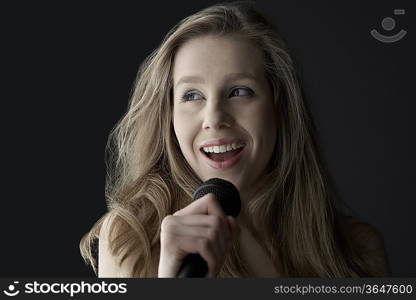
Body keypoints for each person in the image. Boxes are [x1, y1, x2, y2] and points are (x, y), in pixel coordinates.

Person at [80, 1, 391, 278]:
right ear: (168, 114)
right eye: (192, 95)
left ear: (278, 106)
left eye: (239, 91)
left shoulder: (357, 250)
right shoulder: (131, 239)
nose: (214, 118)